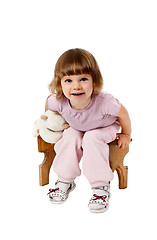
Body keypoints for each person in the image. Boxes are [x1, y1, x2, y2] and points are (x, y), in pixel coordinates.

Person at [46, 48, 131, 213]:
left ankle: (100, 187)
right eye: (68, 80)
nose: (76, 86)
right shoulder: (58, 101)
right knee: (70, 136)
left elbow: (123, 114)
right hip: (77, 127)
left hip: (104, 127)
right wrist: (52, 125)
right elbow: (48, 108)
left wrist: (126, 134)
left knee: (92, 137)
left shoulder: (105, 102)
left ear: (94, 81)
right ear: (59, 83)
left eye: (83, 79)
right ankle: (65, 180)